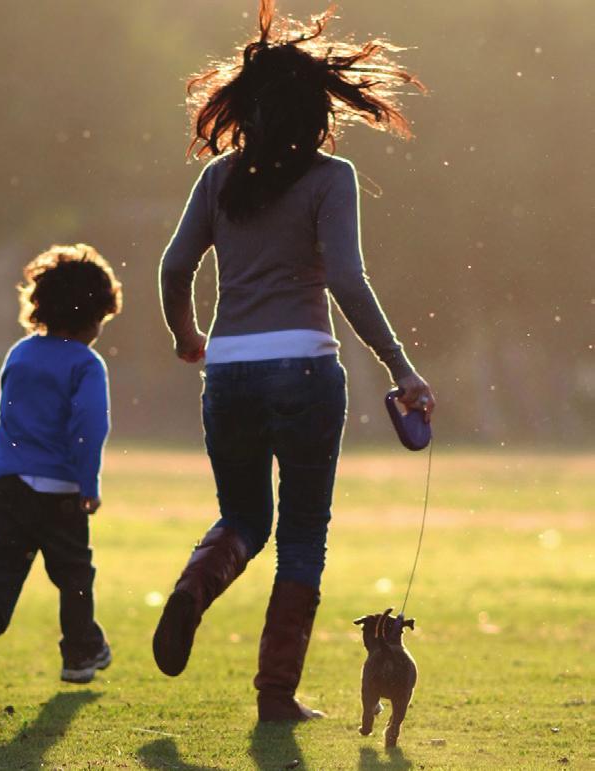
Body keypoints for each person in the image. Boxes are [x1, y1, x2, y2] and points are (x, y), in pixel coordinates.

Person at [152, 0, 436, 722]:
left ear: (245, 109)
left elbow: (174, 265)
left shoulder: (218, 180)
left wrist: (189, 337)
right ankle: (276, 694)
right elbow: (345, 279)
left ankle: (192, 588)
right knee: (303, 532)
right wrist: (401, 366)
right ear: (316, 112)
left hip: (231, 370)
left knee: (244, 514)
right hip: (306, 370)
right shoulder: (330, 179)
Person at [0, 244, 122, 688]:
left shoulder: (20, 354)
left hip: (8, 483)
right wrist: (89, 482)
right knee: (73, 575)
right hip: (60, 489)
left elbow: (8, 412)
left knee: (4, 559)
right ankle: (80, 653)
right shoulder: (87, 364)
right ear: (95, 315)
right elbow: (88, 428)